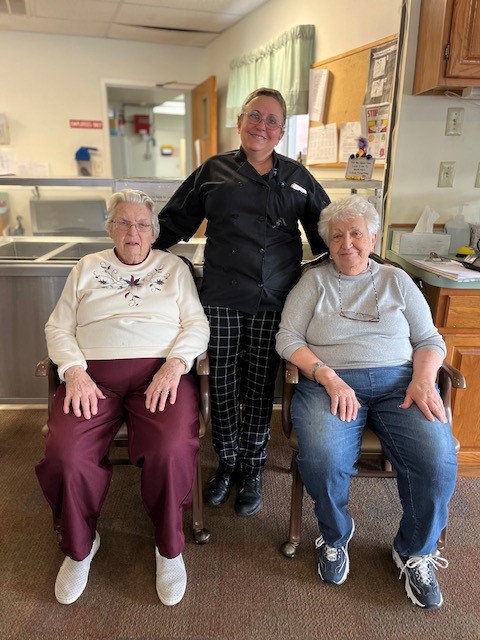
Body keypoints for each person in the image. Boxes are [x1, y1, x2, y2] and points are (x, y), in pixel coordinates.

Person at [153, 88, 330, 517]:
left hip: (275, 300)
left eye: (271, 120)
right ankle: (227, 462)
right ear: (240, 121)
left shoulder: (297, 177)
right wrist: (137, 254)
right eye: (255, 116)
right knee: (224, 383)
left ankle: (253, 466)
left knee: (259, 384)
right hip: (222, 297)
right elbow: (174, 221)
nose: (261, 126)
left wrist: (362, 261)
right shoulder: (213, 170)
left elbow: (329, 231)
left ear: (282, 131)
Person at [276, 195, 457, 609]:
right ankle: (336, 535)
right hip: (330, 383)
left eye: (356, 233)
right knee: (321, 457)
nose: (347, 244)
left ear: (373, 236)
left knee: (436, 458)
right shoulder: (313, 282)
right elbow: (287, 338)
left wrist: (424, 380)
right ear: (327, 241)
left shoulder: (398, 280)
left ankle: (415, 550)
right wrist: (327, 376)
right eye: (337, 236)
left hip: (401, 384)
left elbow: (430, 340)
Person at [35, 189, 210, 607]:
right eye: (125, 223)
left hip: (160, 377)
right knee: (65, 453)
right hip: (92, 378)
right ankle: (80, 546)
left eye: (143, 224)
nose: (134, 232)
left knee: (170, 449)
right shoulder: (86, 267)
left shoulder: (173, 268)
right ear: (110, 227)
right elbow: (58, 328)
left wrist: (175, 364)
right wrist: (73, 370)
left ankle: (169, 547)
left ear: (155, 232)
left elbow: (196, 325)